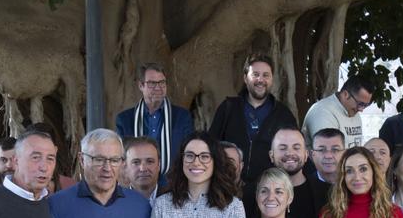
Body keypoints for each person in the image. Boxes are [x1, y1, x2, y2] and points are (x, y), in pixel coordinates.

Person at [209, 54, 298, 183]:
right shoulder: (228, 108)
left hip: (268, 190)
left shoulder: (283, 115)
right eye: (255, 74)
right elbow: (211, 145)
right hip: (228, 186)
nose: (260, 80)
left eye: (266, 75)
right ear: (245, 78)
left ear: (272, 79)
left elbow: (293, 151)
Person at [114, 62, 193, 182]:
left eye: (162, 82)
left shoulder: (182, 117)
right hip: (136, 186)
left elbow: (189, 152)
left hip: (173, 186)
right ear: (141, 85)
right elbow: (120, 157)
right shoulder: (125, 120)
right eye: (152, 83)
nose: (158, 88)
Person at [302, 77, 375, 148]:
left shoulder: (353, 111)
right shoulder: (322, 112)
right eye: (360, 104)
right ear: (345, 94)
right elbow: (329, 154)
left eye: (366, 105)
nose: (361, 110)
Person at [122, 137, 161, 202]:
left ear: (159, 165)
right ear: (125, 167)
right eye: (136, 162)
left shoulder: (174, 199)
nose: (143, 169)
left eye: (150, 161)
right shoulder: (114, 203)